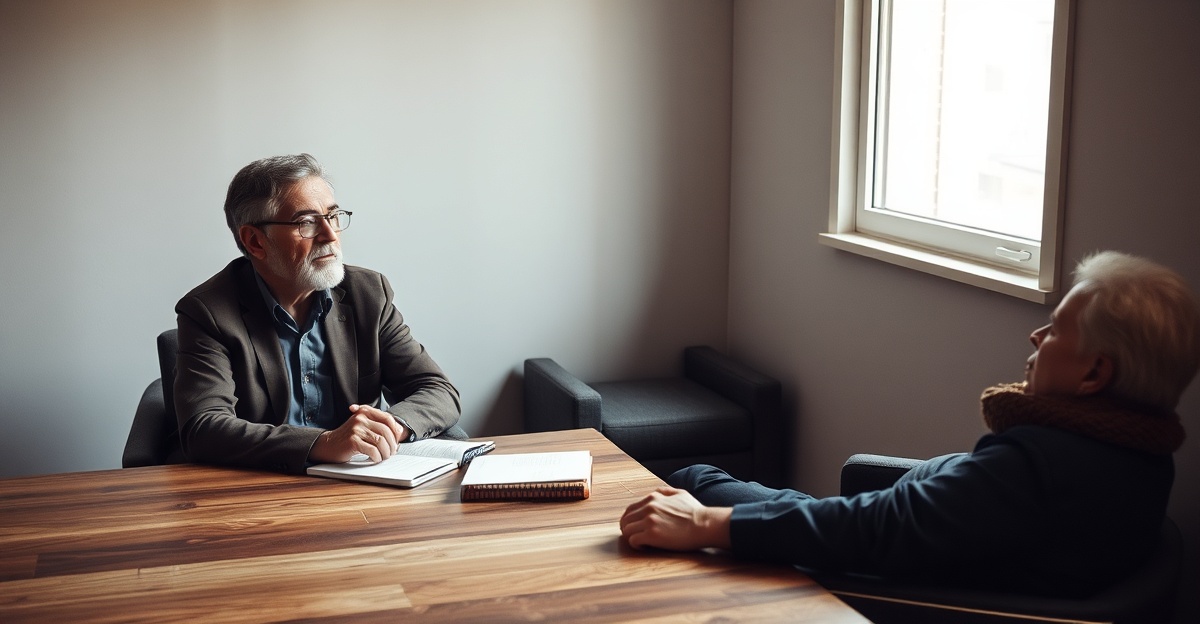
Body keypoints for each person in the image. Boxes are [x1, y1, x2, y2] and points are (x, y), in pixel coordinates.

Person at [620, 251, 1199, 597]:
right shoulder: (1140, 457)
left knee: (693, 480)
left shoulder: (1040, 467)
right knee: (693, 491)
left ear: (1095, 373)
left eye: (1055, 330)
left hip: (875, 579)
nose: (1036, 336)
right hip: (892, 539)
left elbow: (873, 532)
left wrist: (704, 524)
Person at [174, 154, 462, 474]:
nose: (330, 235)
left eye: (333, 215)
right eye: (307, 222)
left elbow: (437, 390)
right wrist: (323, 443)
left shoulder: (368, 293)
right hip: (266, 483)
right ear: (255, 241)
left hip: (365, 477)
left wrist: (388, 427)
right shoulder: (209, 311)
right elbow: (204, 427)